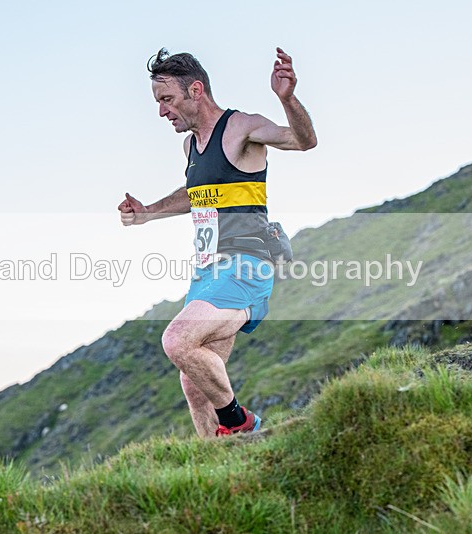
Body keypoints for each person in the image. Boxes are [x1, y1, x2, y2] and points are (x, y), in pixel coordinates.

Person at [118, 47, 317, 438]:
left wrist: (287, 99)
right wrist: (147, 212)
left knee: (177, 340)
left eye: (167, 100)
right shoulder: (190, 147)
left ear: (196, 90)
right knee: (194, 380)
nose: (162, 112)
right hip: (208, 271)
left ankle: (239, 422)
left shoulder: (242, 127)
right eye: (159, 103)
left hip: (246, 266)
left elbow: (302, 141)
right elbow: (197, 194)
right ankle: (217, 465)